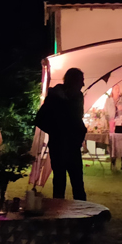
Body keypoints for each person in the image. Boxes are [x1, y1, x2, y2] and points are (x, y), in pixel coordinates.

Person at [35, 68, 87, 200]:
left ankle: (76, 213)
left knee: (70, 181)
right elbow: (40, 119)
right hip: (62, 143)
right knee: (67, 181)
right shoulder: (57, 97)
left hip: (67, 144)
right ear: (74, 81)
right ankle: (72, 213)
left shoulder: (76, 96)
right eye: (81, 81)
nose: (83, 84)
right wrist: (57, 130)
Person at [103, 84, 122, 170]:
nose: (118, 90)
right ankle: (113, 162)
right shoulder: (108, 100)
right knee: (112, 143)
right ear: (112, 91)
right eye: (116, 89)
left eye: (119, 89)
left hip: (120, 124)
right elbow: (105, 112)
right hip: (111, 124)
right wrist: (108, 120)